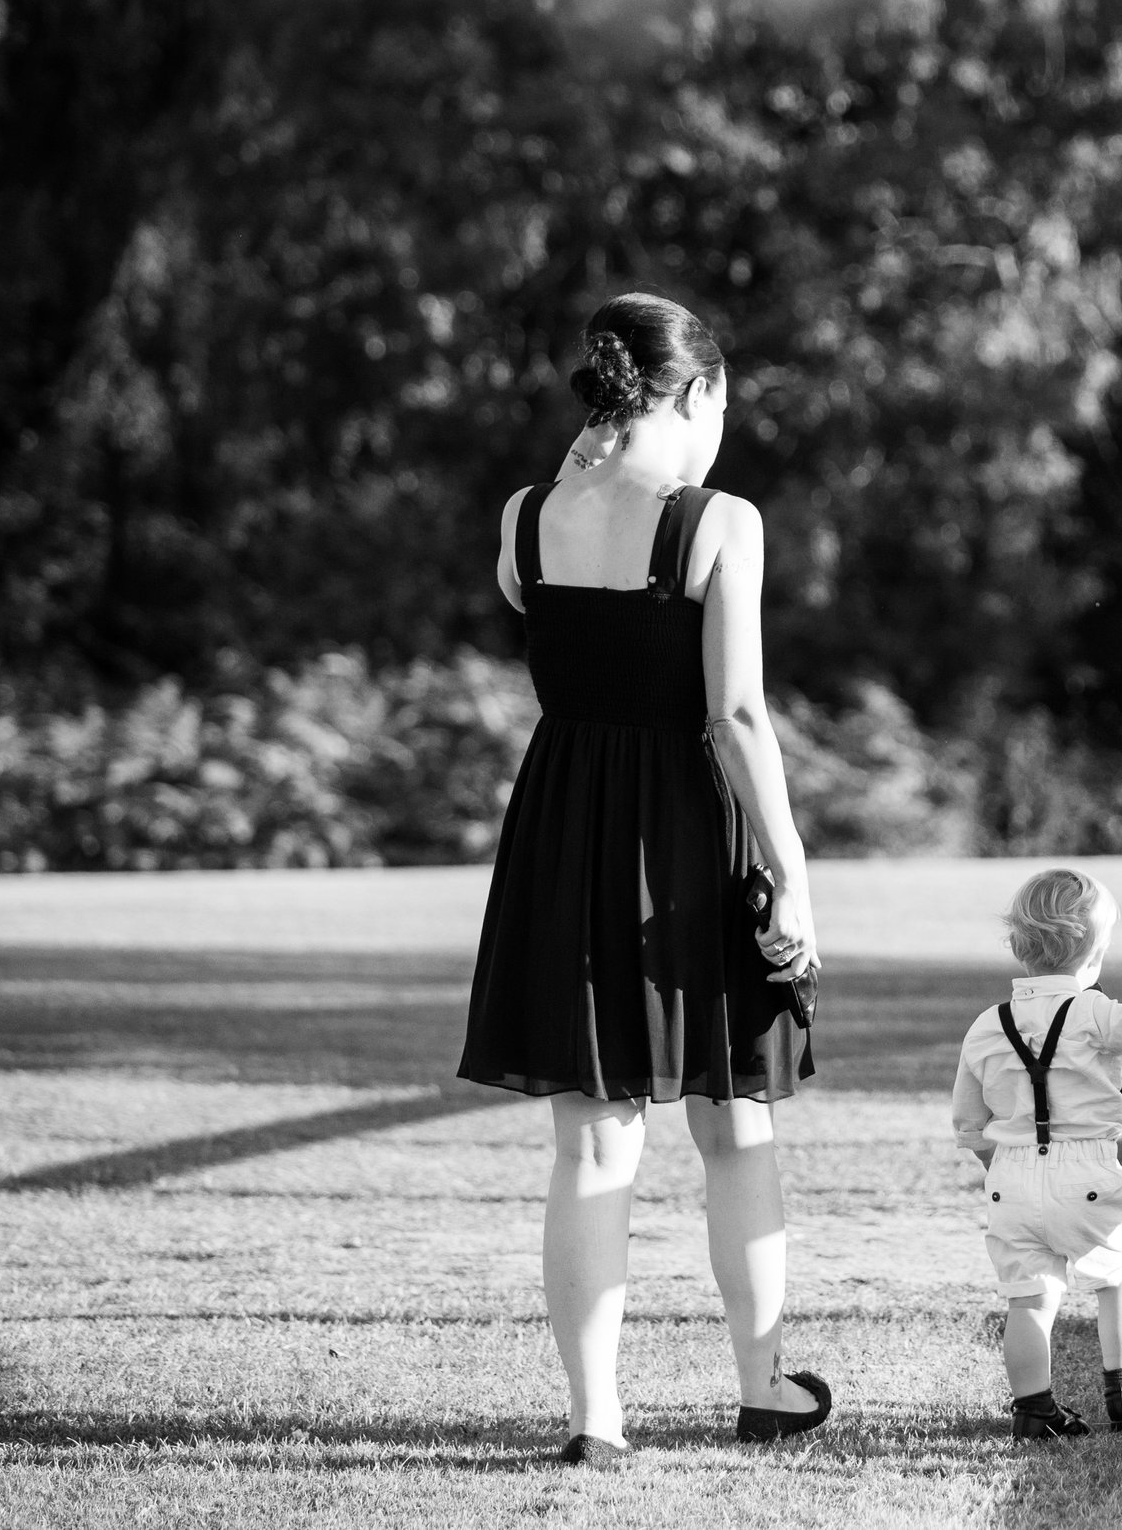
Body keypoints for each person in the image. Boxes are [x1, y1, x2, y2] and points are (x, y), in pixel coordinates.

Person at [457, 292, 828, 1464]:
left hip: (564, 830)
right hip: (688, 837)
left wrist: (589, 456)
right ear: (702, 390)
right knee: (736, 1121)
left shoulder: (524, 517)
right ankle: (764, 1385)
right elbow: (735, 713)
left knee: (590, 1145)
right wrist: (790, 867)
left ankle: (595, 1418)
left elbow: (539, 601)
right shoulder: (721, 522)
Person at [950, 869, 1122, 1439]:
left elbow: (968, 1121)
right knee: (1116, 1278)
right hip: (1085, 1170)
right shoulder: (1090, 1012)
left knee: (1028, 1300)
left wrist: (997, 1164)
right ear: (1095, 952)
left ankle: (1035, 1409)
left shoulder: (987, 1025)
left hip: (1010, 1177)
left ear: (1018, 945)